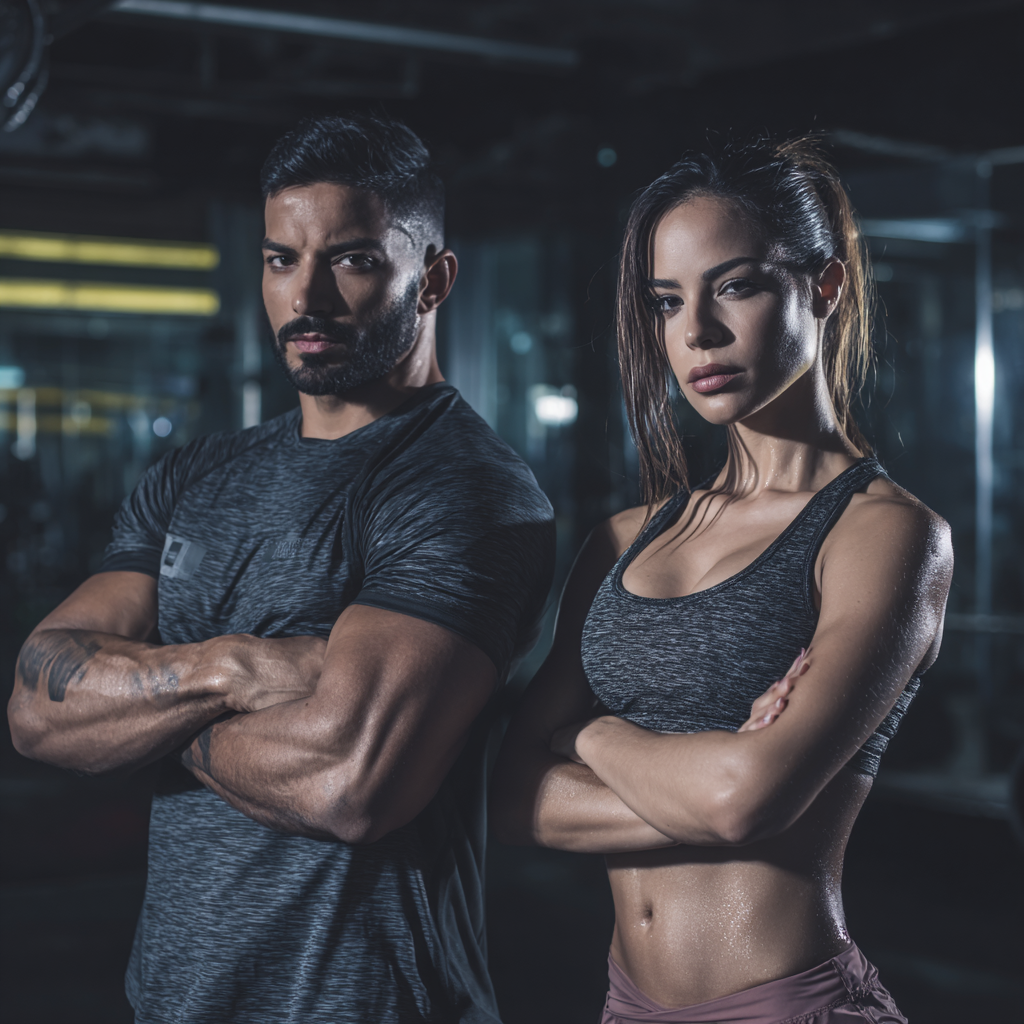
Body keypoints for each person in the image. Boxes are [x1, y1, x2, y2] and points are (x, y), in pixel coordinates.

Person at [8, 114, 555, 1024]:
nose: (309, 298)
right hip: (172, 1002)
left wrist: (138, 710)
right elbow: (33, 708)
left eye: (353, 260)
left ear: (436, 279)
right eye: (279, 260)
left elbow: (350, 783)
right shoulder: (195, 475)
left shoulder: (467, 488)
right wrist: (240, 668)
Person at [491, 138, 953, 1024]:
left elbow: (747, 802)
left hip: (786, 1005)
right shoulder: (625, 539)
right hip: (626, 1004)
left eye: (733, 285)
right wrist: (713, 782)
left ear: (824, 288)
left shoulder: (884, 536)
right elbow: (512, 799)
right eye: (668, 301)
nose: (695, 330)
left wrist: (588, 736)